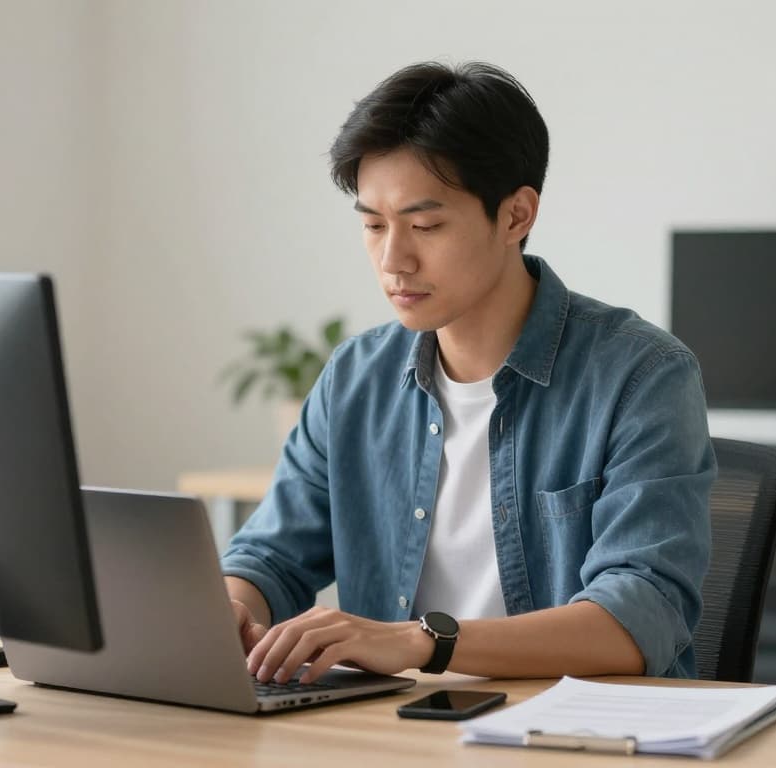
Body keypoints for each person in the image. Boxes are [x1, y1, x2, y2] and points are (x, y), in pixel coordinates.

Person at [221, 61, 715, 686]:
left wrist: (420, 643)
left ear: (515, 216)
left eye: (425, 225)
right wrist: (232, 604)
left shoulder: (642, 376)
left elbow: (640, 615)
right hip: (391, 731)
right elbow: (270, 556)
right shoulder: (355, 379)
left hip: (569, 735)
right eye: (373, 225)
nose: (393, 259)